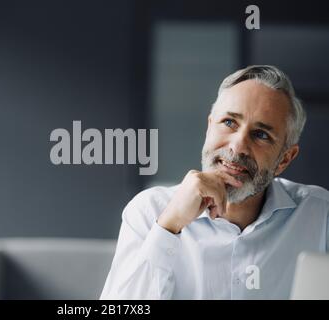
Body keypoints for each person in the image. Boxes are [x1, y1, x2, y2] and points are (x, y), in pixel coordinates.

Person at [100, 65, 329, 299]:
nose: (238, 146)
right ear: (210, 127)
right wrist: (169, 227)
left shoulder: (320, 214)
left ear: (284, 159)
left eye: (261, 135)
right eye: (229, 122)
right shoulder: (149, 211)